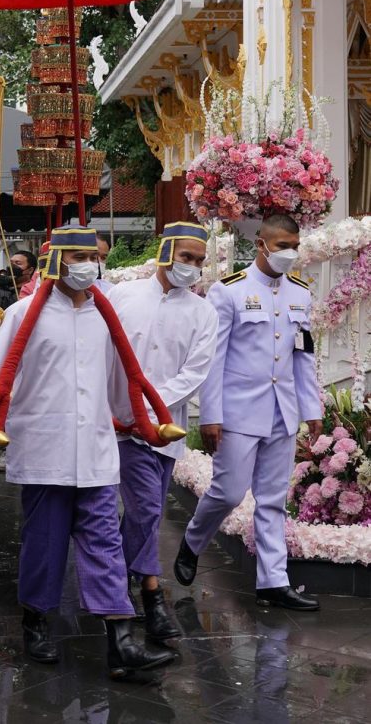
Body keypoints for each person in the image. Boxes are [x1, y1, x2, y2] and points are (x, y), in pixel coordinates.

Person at [0, 224, 175, 678]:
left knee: (105, 542)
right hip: (45, 449)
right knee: (44, 543)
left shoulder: (105, 318)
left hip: (95, 450)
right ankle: (36, 619)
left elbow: (119, 382)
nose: (88, 266)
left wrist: (140, 424)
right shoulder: (22, 314)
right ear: (55, 261)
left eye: (93, 258)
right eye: (78, 258)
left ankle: (122, 639)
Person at [174, 213, 322, 611]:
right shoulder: (229, 292)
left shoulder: (301, 294)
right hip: (238, 412)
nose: (289, 253)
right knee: (229, 492)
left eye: (294, 246)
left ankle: (273, 582)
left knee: (273, 499)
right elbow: (214, 359)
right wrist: (210, 415)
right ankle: (192, 540)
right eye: (281, 246)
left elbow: (303, 356)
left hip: (283, 411)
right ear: (261, 244)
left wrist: (312, 408)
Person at [108, 222, 218, 642]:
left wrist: (150, 407)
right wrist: (123, 407)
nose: (191, 267)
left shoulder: (202, 312)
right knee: (146, 511)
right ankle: (151, 594)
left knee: (144, 510)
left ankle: (119, 584)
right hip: (117, 424)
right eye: (185, 257)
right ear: (166, 251)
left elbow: (196, 371)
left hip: (162, 429)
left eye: (199, 261)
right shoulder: (124, 295)